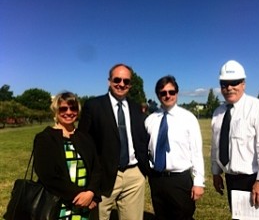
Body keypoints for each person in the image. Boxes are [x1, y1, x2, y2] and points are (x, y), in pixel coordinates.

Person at [78, 63, 150, 220]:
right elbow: (83, 143)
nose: (121, 84)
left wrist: (142, 171)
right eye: (117, 79)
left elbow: (142, 138)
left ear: (130, 84)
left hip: (134, 175)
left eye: (126, 81)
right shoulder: (93, 106)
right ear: (109, 81)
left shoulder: (136, 107)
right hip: (104, 176)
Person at [211, 60, 259, 215]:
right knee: (237, 217)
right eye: (224, 84)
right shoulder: (218, 113)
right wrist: (216, 172)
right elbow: (216, 145)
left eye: (234, 82)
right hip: (231, 179)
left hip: (254, 179)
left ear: (243, 84)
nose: (229, 88)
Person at [145, 75, 205, 220]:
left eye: (171, 92)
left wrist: (198, 182)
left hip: (180, 179)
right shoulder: (150, 120)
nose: (168, 95)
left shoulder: (188, 118)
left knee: (183, 216)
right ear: (158, 95)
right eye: (163, 93)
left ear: (177, 93)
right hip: (157, 179)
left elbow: (196, 152)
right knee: (161, 216)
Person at [33, 91, 101, 219]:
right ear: (56, 111)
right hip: (58, 204)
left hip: (86, 204)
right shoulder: (45, 138)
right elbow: (47, 175)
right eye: (63, 108)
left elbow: (96, 168)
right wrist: (80, 196)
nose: (69, 112)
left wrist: (91, 193)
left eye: (73, 108)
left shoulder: (85, 137)